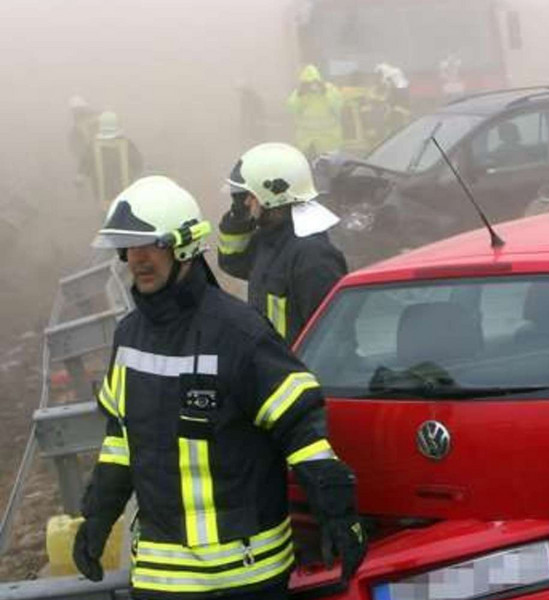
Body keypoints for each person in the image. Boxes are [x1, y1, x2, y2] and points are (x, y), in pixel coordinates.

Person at [74, 175, 366, 599]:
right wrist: (98, 516)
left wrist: (337, 511)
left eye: (151, 245)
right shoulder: (129, 337)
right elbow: (120, 440)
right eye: (128, 248)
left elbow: (301, 428)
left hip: (248, 574)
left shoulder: (240, 334)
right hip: (162, 577)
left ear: (186, 246)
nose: (136, 259)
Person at [217, 142, 347, 346]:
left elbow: (331, 337)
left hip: (295, 371)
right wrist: (237, 217)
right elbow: (231, 261)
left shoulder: (312, 255)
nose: (245, 203)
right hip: (272, 364)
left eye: (249, 196)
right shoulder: (269, 238)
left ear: (273, 195)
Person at [82, 111, 144, 209]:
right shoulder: (127, 143)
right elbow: (138, 164)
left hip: (101, 191)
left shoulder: (93, 145)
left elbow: (85, 165)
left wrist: (81, 177)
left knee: (105, 216)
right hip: (125, 191)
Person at [287, 65, 344, 158]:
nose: (312, 86)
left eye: (314, 82)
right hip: (306, 140)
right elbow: (291, 108)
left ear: (319, 81)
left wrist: (325, 92)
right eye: (308, 83)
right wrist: (299, 95)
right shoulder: (300, 94)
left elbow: (338, 105)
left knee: (330, 166)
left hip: (328, 138)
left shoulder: (329, 90)